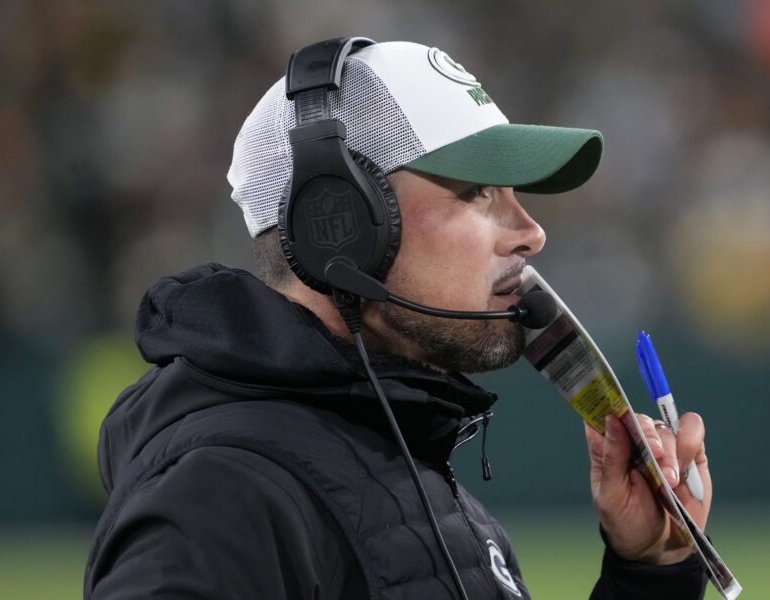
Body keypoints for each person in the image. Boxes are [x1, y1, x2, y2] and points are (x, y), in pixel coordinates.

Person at [84, 38, 711, 599]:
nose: (532, 233)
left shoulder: (414, 476)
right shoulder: (223, 498)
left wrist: (650, 573)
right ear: (343, 227)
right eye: (478, 193)